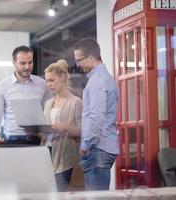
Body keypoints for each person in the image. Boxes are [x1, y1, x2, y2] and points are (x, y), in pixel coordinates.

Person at [73, 38, 119, 191]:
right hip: (105, 147)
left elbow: (96, 118)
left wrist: (85, 145)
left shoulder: (96, 82)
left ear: (91, 57)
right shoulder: (107, 78)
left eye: (79, 60)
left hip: (97, 148)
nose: (78, 64)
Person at [0, 45, 51, 144]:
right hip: (12, 139)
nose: (27, 67)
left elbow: (49, 113)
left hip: (38, 139)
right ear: (14, 63)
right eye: (23, 63)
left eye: (30, 62)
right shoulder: (1, 86)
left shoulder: (43, 84)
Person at [41, 59, 83, 191]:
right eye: (47, 81)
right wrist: (32, 130)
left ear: (63, 77)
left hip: (65, 158)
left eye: (52, 80)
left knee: (60, 194)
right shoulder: (48, 103)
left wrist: (66, 127)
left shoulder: (76, 102)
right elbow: (45, 131)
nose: (48, 84)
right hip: (46, 155)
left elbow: (83, 131)